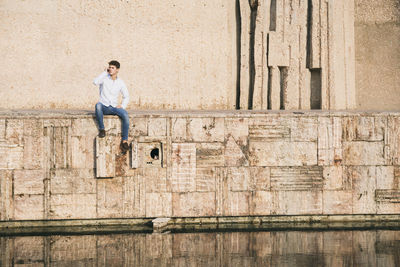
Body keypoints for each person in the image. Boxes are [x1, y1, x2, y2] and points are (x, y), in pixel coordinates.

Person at [94, 60, 130, 154]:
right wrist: (104, 73)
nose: (110, 69)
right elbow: (95, 82)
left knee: (125, 115)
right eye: (109, 67)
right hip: (104, 106)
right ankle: (102, 129)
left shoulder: (120, 82)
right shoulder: (104, 79)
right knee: (97, 106)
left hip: (114, 107)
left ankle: (125, 140)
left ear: (117, 70)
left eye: (112, 67)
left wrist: (122, 105)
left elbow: (126, 96)